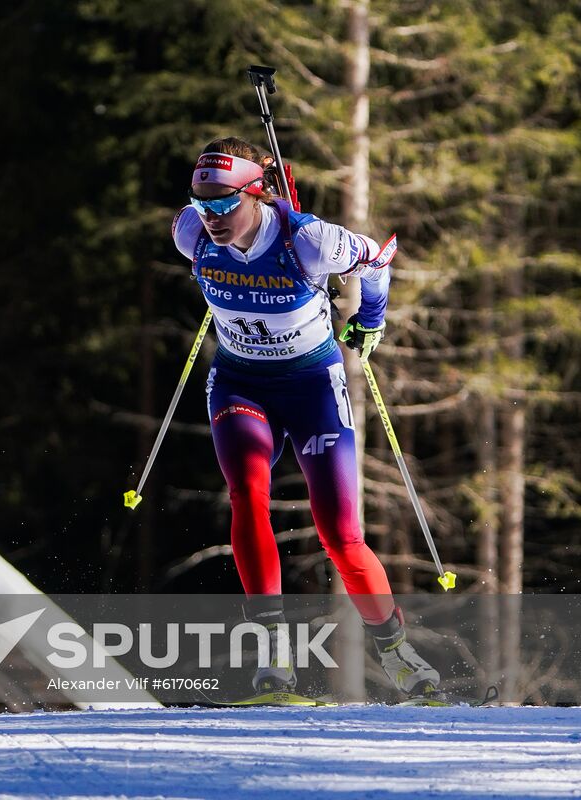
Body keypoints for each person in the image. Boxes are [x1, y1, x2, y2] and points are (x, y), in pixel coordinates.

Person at [172, 136, 439, 698]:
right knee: (247, 493)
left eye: (223, 203)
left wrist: (369, 317)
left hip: (312, 386)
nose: (212, 217)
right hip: (241, 383)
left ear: (256, 192)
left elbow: (378, 257)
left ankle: (395, 649)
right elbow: (205, 237)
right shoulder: (190, 232)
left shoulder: (308, 239)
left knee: (340, 534)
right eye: (202, 203)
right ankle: (273, 656)